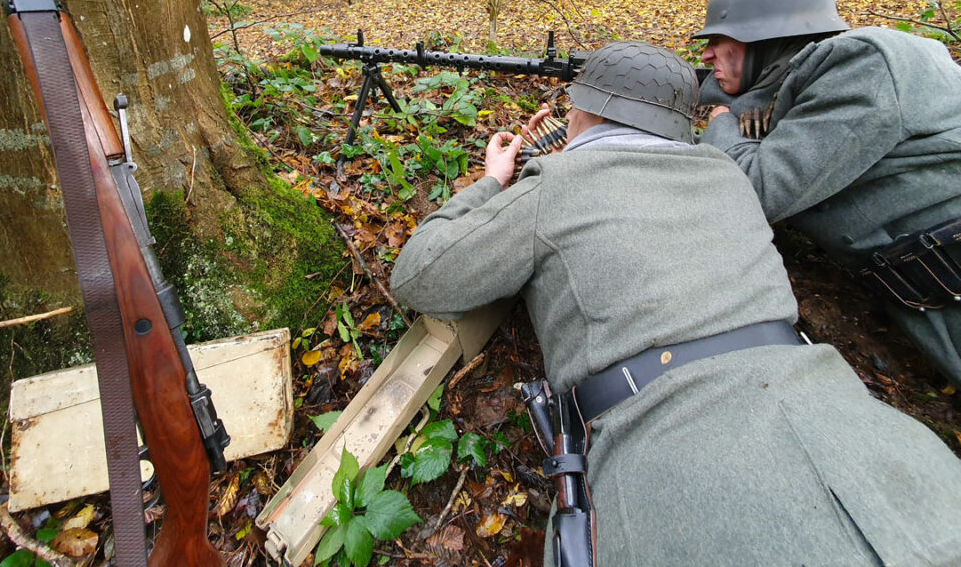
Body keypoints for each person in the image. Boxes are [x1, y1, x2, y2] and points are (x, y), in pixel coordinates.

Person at [391, 41, 961, 567]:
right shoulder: (727, 172)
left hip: (669, 452)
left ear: (582, 111)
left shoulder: (555, 184)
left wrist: (494, 181)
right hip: (869, 445)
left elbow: (420, 276)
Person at [695, 0, 961, 387]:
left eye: (717, 41)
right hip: (925, 287)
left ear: (766, 39)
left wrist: (722, 123)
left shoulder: (862, 65)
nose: (706, 56)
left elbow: (754, 191)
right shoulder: (812, 73)